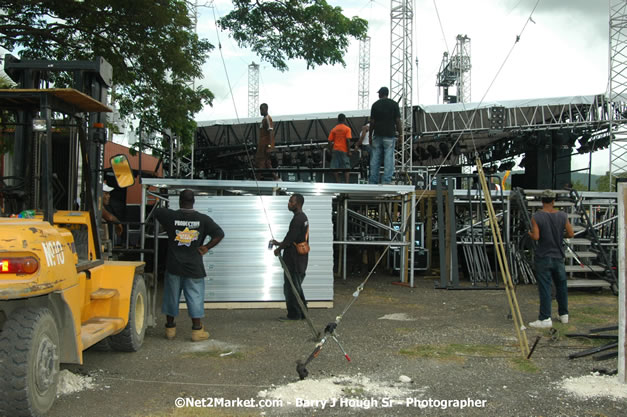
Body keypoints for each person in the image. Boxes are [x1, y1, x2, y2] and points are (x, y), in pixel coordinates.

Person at [154, 189, 225, 341]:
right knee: (195, 298)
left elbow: (158, 211)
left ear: (180, 201)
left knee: (171, 297)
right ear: (194, 202)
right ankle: (197, 331)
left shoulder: (170, 216)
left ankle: (170, 330)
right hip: (194, 266)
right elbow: (219, 234)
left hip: (174, 266)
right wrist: (206, 247)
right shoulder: (203, 219)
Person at [527, 189, 574, 329]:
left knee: (545, 287)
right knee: (561, 286)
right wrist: (561, 235)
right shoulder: (562, 215)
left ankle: (545, 317)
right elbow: (571, 233)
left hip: (543, 256)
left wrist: (529, 233)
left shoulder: (537, 216)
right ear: (554, 201)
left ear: (542, 201)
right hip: (558, 256)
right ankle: (564, 314)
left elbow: (536, 237)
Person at [270, 194, 309, 321]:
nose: (288, 203)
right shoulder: (302, 218)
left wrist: (279, 248)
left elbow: (290, 239)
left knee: (290, 288)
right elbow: (292, 238)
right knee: (296, 287)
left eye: (291, 201)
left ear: (297, 204)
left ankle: (294, 315)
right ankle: (303, 313)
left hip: (294, 260)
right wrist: (279, 243)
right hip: (299, 260)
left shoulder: (297, 219)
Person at [369, 86, 402, 184]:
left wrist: (370, 135)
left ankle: (373, 180)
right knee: (388, 157)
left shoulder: (375, 105)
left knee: (375, 158)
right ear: (387, 93)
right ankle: (387, 180)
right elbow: (398, 121)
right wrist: (401, 134)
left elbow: (372, 122)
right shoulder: (394, 104)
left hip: (377, 134)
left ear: (380, 94)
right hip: (389, 134)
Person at [255, 103, 278, 180]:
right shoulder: (264, 119)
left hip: (265, 146)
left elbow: (271, 132)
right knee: (267, 163)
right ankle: (275, 177)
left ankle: (258, 178)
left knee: (260, 161)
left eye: (261, 109)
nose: (260, 111)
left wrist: (270, 147)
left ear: (266, 109)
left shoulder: (268, 119)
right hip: (262, 146)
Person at [328, 113, 352, 183]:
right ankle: (347, 183)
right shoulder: (347, 129)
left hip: (335, 150)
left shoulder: (334, 129)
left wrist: (330, 150)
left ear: (337, 120)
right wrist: (349, 151)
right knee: (346, 167)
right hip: (344, 150)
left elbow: (329, 141)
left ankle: (338, 182)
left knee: (335, 167)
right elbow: (348, 140)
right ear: (344, 120)